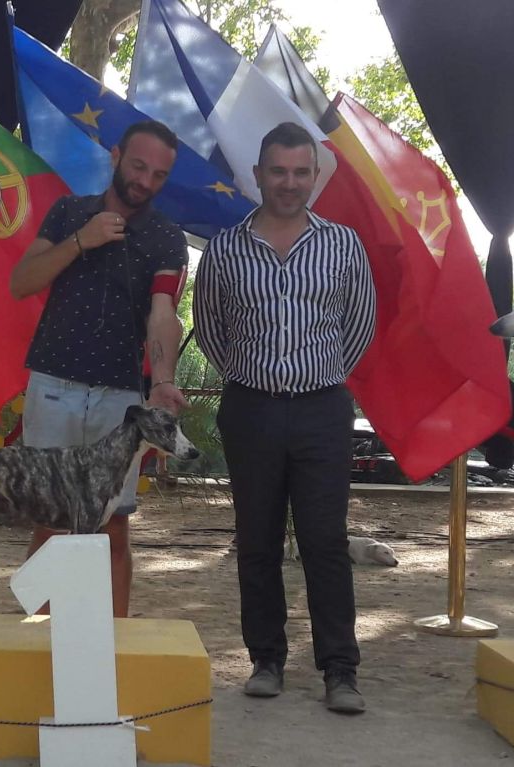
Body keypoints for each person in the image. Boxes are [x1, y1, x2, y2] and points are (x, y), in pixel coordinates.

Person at [193, 122, 376, 714]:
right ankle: (266, 659)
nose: (289, 183)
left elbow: (358, 327)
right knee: (257, 542)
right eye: (278, 171)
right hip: (251, 410)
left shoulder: (343, 245)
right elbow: (213, 333)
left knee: (326, 541)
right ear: (258, 174)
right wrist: (259, 379)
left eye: (301, 172)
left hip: (323, 409)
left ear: (314, 176)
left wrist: (313, 380)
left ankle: (340, 670)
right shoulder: (224, 250)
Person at [9, 120, 189, 618]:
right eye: (138, 165)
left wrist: (165, 380)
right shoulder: (69, 211)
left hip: (120, 399)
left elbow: (163, 313)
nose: (146, 181)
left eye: (159, 174)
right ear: (115, 156)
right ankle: (31, 648)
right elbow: (21, 282)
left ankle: (115, 653)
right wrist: (81, 242)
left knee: (113, 527)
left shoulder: (166, 237)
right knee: (51, 522)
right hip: (52, 387)